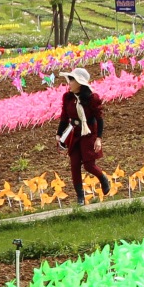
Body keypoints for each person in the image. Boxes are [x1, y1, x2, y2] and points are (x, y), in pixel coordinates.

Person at [56, 66, 112, 204]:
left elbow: (99, 119)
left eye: (72, 80)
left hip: (88, 132)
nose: (69, 83)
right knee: (74, 164)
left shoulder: (91, 98)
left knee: (88, 165)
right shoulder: (67, 98)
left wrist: (99, 138)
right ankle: (80, 197)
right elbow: (64, 117)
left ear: (80, 83)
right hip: (74, 132)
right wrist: (59, 135)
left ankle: (103, 178)